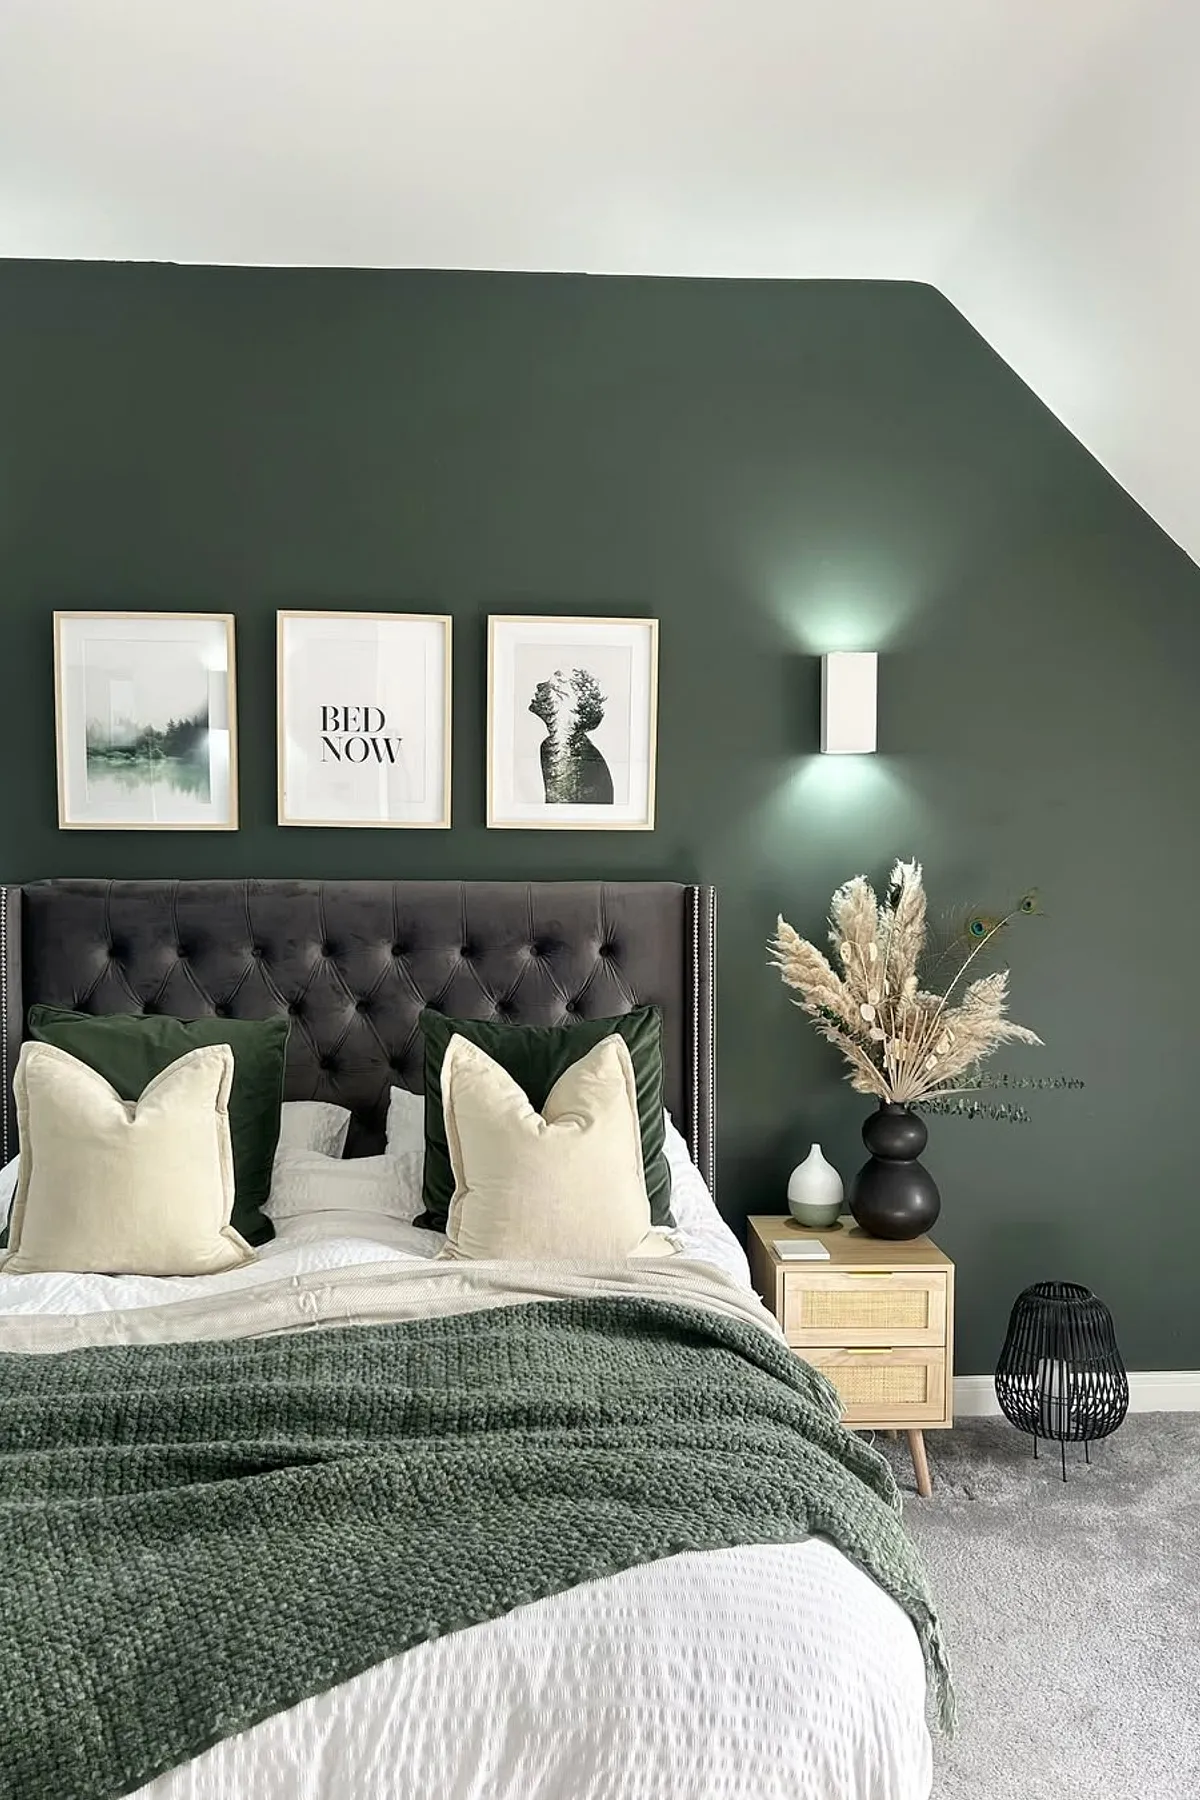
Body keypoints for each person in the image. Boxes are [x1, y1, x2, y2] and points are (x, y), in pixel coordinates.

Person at [528, 668, 614, 804]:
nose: (541, 686)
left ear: (577, 714)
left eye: (560, 683)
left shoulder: (582, 761)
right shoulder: (550, 747)